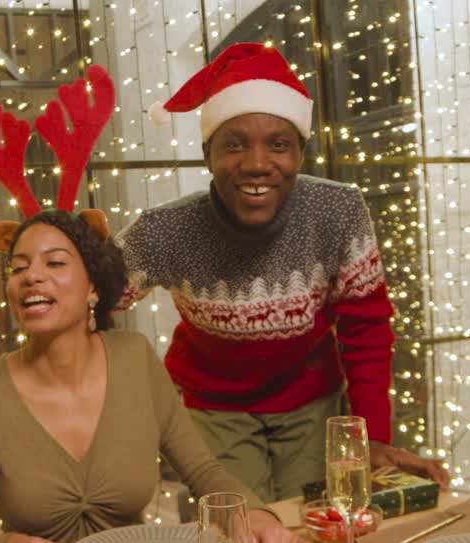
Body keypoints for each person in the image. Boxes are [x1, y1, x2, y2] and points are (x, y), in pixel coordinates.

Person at [125, 43, 449, 503]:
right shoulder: (167, 229)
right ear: (207, 154)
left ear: (300, 152)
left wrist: (372, 437)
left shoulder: (338, 210)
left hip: (313, 406)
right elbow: (90, 293)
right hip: (214, 409)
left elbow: (367, 329)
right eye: (234, 144)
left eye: (278, 145)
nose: (257, 164)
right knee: (236, 534)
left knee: (319, 527)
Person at [0, 210, 303, 543]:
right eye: (18, 268)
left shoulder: (135, 358)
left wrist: (256, 515)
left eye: (55, 262)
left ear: (93, 287)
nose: (32, 275)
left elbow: (203, 472)